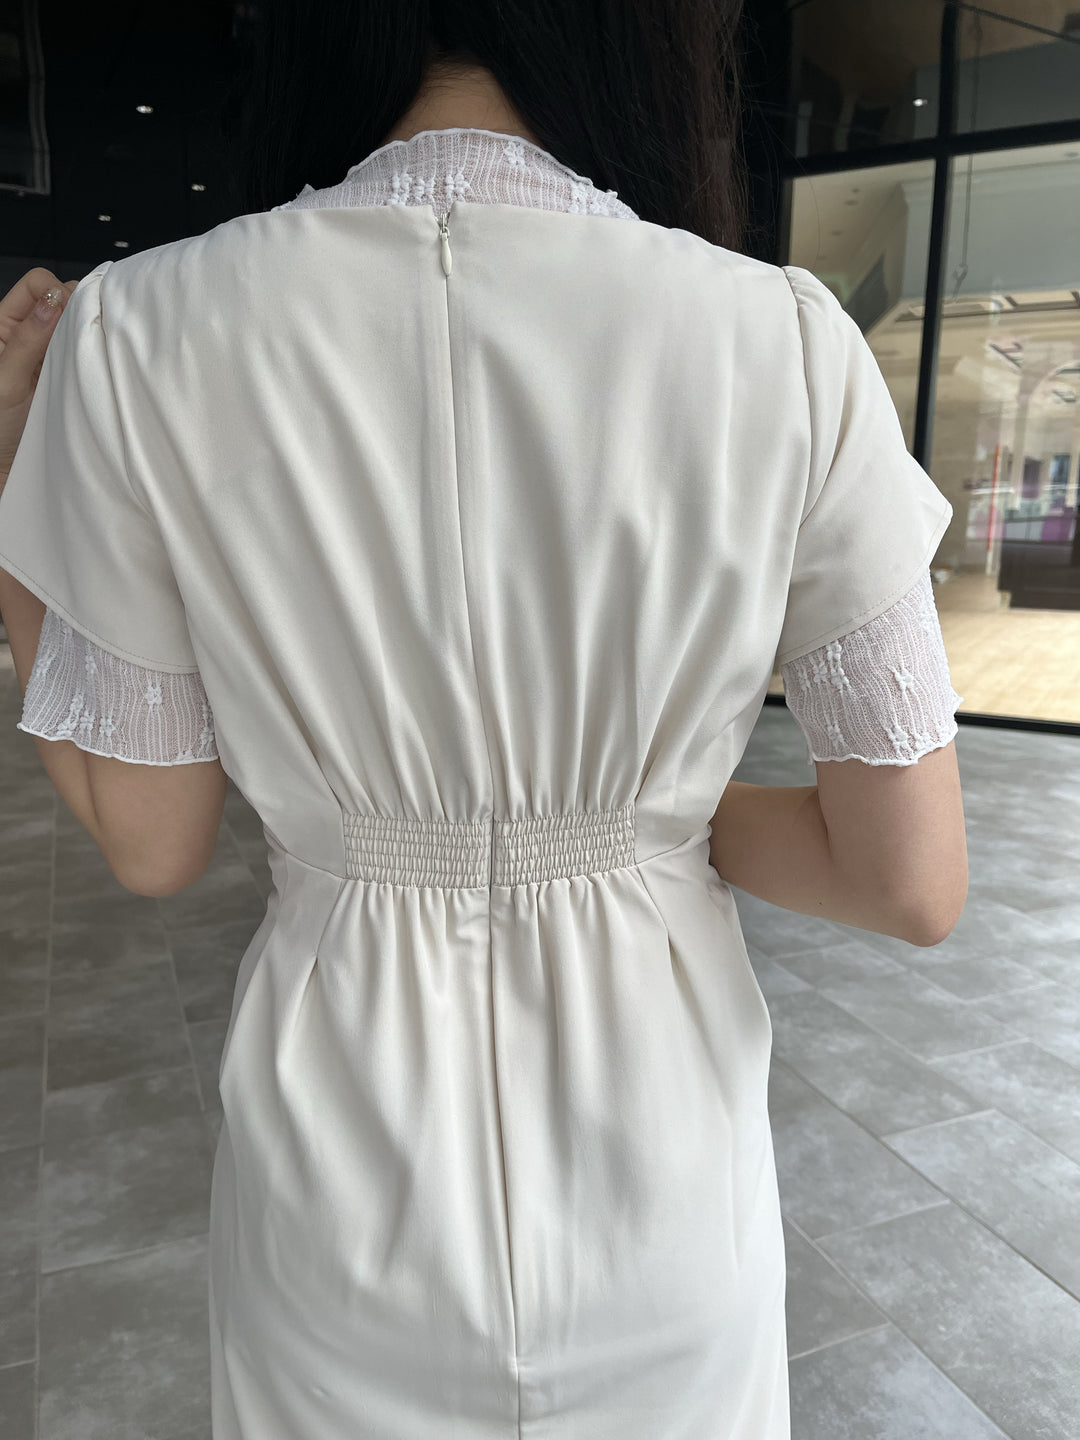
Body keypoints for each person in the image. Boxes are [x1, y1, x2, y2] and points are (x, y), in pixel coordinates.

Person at [0, 2, 965, 1436]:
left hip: (337, 1182)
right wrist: (640, 822)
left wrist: (16, 485)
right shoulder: (786, 337)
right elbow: (909, 883)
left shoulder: (136, 334)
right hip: (663, 1184)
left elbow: (152, 843)